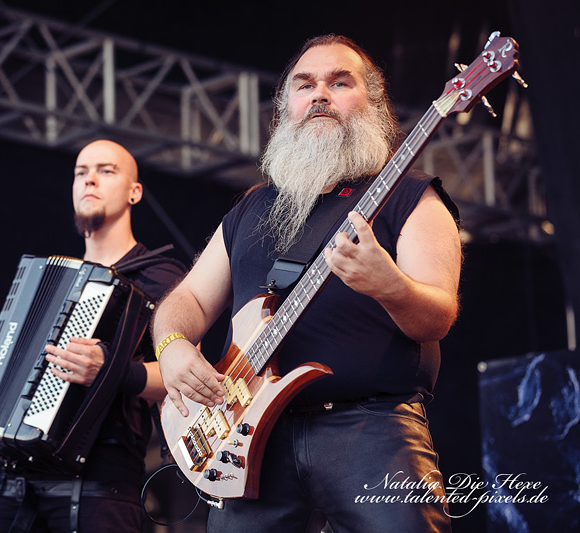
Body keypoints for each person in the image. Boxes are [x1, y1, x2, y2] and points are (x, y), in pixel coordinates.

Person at [152, 35, 461, 532]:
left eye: (340, 82)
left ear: (374, 105)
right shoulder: (252, 207)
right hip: (247, 441)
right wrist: (170, 348)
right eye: (305, 84)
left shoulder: (410, 196)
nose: (320, 94)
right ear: (285, 109)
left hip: (370, 431)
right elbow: (187, 297)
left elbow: (438, 315)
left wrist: (388, 285)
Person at [0, 139, 185, 533]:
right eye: (81, 173)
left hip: (102, 482)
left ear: (134, 192)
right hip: (20, 476)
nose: (90, 180)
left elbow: (183, 381)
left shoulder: (160, 277)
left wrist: (111, 371)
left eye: (107, 171)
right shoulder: (49, 282)